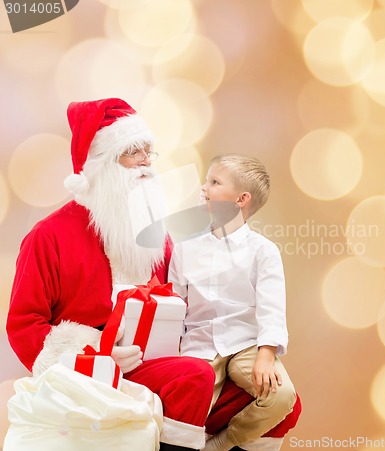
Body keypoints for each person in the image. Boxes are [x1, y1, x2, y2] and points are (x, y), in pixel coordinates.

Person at [7, 99, 235, 451]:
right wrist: (94, 353)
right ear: (102, 164)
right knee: (195, 377)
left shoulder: (158, 238)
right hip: (91, 369)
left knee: (256, 394)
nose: (145, 161)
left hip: (157, 360)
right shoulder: (48, 236)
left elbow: (187, 303)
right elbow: (24, 324)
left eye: (148, 151)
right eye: (132, 152)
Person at [169, 154, 297, 451]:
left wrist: (266, 355)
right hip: (199, 344)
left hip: (245, 343)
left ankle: (221, 444)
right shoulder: (185, 249)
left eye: (214, 182)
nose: (204, 188)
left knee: (281, 396)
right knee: (185, 406)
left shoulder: (263, 251)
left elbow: (271, 308)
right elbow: (175, 305)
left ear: (241, 199)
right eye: (206, 180)